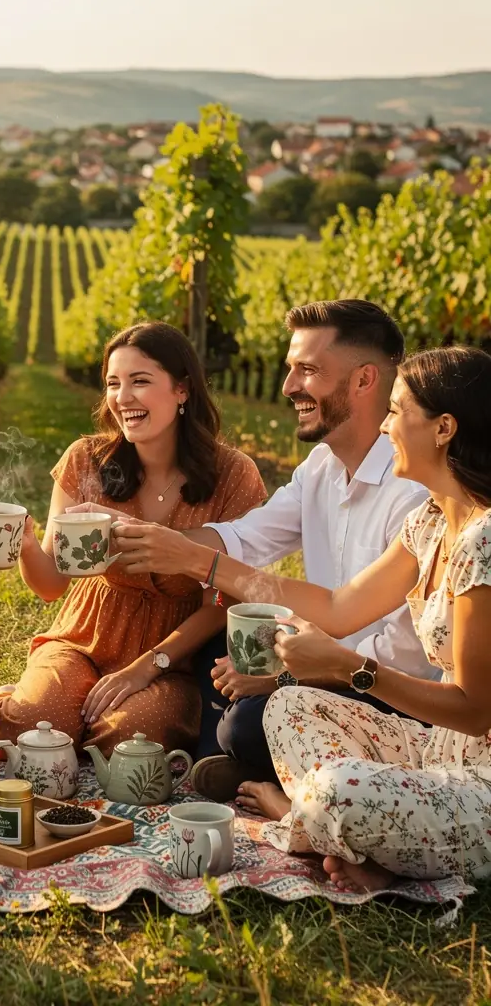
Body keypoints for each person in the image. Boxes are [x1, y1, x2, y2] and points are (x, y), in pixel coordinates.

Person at [112, 345, 491, 891]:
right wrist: (201, 561)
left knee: (338, 789)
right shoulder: (431, 523)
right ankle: (348, 834)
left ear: (444, 428)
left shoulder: (483, 542)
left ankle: (305, 816)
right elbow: (337, 608)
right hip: (436, 755)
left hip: (477, 774)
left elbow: (477, 711)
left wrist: (348, 670)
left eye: (397, 411)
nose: (384, 427)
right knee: (287, 706)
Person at [123, 300, 432, 799]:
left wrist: (283, 675)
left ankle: (243, 764)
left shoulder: (414, 495)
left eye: (307, 371)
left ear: (363, 380)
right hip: (320, 656)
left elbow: (405, 659)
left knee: (246, 721)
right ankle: (236, 764)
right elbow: (249, 535)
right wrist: (148, 540)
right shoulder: (321, 467)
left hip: (385, 689)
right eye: (290, 370)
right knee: (221, 644)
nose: (288, 387)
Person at [0, 322, 267, 757]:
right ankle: (28, 700)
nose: (122, 397)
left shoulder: (233, 475)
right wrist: (29, 544)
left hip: (173, 655)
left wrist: (147, 667)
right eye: (113, 383)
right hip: (83, 635)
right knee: (34, 727)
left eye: (139, 381)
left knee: (130, 741)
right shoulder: (85, 459)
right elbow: (52, 585)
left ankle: (80, 713)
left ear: (182, 389)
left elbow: (223, 603)